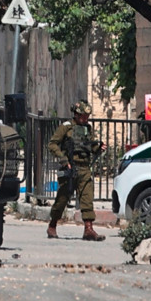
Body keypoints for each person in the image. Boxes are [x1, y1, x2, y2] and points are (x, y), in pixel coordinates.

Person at [46, 100, 107, 241]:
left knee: (87, 198)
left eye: (87, 116)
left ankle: (88, 229)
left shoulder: (87, 129)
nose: (85, 119)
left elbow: (90, 147)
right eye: (83, 116)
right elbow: (52, 144)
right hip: (69, 168)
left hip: (84, 168)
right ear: (76, 114)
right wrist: (63, 159)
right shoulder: (66, 128)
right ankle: (52, 225)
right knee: (62, 199)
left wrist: (98, 148)